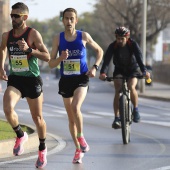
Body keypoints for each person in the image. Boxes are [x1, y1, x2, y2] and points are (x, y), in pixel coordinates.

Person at [49, 8, 103, 164]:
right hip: (66, 80)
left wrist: (95, 68)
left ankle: (81, 136)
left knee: (75, 107)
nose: (69, 21)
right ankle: (78, 148)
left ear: (76, 20)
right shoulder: (57, 39)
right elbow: (51, 63)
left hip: (82, 78)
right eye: (66, 18)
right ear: (63, 20)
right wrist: (61, 58)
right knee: (71, 119)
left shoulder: (83, 36)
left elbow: (100, 51)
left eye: (72, 18)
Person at [0, 2, 50, 169]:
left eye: (16, 16)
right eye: (11, 15)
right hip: (15, 79)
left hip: (32, 79)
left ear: (25, 17)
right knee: (7, 108)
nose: (13, 18)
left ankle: (42, 148)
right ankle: (20, 135)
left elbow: (47, 56)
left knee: (37, 118)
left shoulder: (33, 34)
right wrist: (1, 67)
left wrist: (30, 50)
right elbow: (2, 50)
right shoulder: (6, 35)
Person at [99, 26, 150, 129]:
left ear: (127, 38)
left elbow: (139, 59)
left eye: (122, 38)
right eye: (118, 38)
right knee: (118, 89)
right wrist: (103, 73)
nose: (120, 40)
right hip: (119, 70)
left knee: (131, 87)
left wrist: (144, 71)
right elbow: (106, 61)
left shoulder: (133, 44)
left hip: (132, 69)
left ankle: (135, 110)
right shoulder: (113, 46)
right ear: (116, 37)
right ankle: (117, 118)